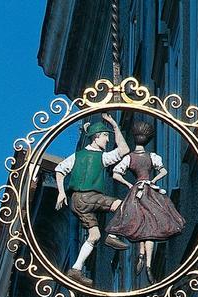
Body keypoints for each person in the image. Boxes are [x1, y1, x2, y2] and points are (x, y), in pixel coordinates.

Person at [55, 112, 131, 287]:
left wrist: (62, 192)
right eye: (105, 137)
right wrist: (114, 125)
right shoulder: (101, 157)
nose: (106, 140)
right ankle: (111, 235)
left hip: (76, 201)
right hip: (89, 196)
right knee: (121, 205)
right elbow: (124, 150)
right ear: (96, 138)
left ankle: (76, 268)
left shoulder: (77, 156)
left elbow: (60, 169)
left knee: (94, 235)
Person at [107, 117, 187, 282]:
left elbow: (116, 173)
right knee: (150, 223)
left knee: (138, 220)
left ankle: (142, 254)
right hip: (150, 191)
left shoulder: (129, 158)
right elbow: (163, 171)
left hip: (137, 190)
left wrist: (129, 184)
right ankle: (148, 263)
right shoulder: (152, 156)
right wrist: (153, 181)